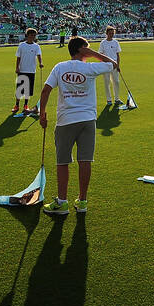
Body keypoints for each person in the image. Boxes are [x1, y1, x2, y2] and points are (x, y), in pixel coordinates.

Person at [38, 36, 118, 215]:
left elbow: (46, 90)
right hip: (88, 120)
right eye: (87, 50)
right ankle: (82, 202)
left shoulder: (60, 67)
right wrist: (92, 53)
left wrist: (41, 114)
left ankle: (62, 202)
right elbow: (113, 64)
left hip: (66, 120)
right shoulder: (90, 67)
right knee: (85, 161)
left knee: (63, 161)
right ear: (83, 50)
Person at [13, 28, 43, 115]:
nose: (33, 37)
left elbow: (39, 55)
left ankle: (26, 105)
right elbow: (18, 57)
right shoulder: (21, 45)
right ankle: (17, 105)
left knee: (28, 90)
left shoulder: (36, 46)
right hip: (22, 70)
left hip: (31, 70)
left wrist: (41, 63)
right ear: (27, 35)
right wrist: (17, 67)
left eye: (34, 35)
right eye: (31, 35)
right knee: (20, 89)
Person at [97, 25, 123, 104]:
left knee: (116, 82)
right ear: (107, 33)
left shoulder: (116, 42)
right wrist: (103, 65)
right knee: (107, 83)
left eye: (113, 33)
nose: (112, 35)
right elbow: (100, 55)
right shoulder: (103, 43)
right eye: (110, 33)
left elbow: (118, 55)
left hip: (114, 66)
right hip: (106, 66)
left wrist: (118, 65)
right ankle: (109, 100)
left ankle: (117, 99)